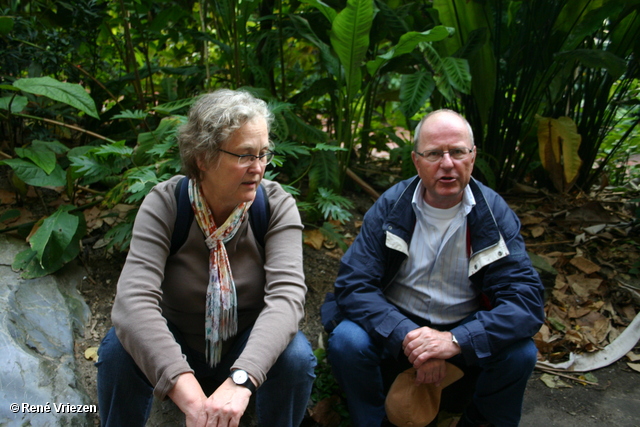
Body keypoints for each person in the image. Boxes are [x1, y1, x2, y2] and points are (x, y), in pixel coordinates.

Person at [97, 89, 316, 427]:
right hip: (179, 344)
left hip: (244, 350)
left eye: (263, 154)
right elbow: (132, 303)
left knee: (297, 356)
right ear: (203, 158)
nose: (258, 168)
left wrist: (242, 379)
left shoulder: (275, 206)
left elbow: (287, 300)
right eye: (244, 155)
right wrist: (189, 394)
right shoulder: (167, 204)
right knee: (116, 349)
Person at [321, 109, 545, 427]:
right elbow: (353, 284)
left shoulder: (493, 212)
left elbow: (527, 302)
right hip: (395, 323)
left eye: (457, 152)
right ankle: (371, 420)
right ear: (416, 161)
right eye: (434, 154)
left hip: (462, 327)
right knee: (347, 340)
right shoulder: (391, 205)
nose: (447, 164)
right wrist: (408, 335)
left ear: (473, 155)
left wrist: (455, 341)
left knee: (520, 353)